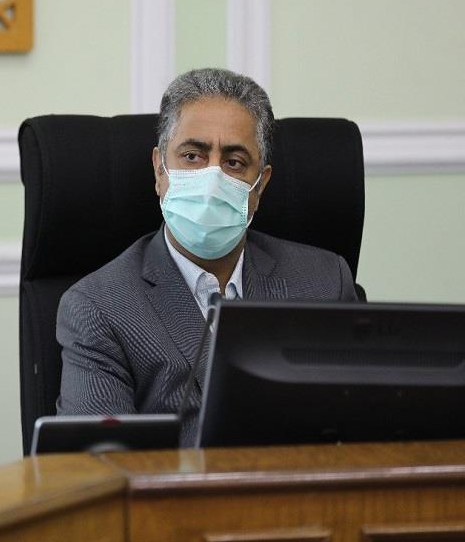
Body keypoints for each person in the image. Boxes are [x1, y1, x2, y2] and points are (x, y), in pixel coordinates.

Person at [56, 68, 358, 444]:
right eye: (193, 156)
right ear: (159, 170)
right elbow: (101, 464)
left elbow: (362, 434)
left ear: (260, 185)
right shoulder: (98, 308)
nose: (212, 179)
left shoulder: (325, 282)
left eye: (234, 162)